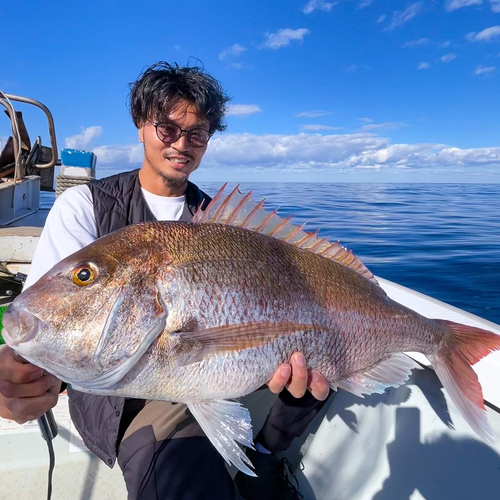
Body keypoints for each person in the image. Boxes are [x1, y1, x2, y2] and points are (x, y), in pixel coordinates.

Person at [0, 62, 331, 500]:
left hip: (209, 376)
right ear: (141, 126)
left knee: (317, 376)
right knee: (178, 475)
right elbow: (60, 316)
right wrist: (25, 370)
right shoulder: (85, 206)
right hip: (123, 396)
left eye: (198, 134)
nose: (182, 144)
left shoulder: (224, 226)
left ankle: (265, 456)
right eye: (167, 128)